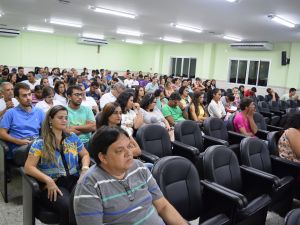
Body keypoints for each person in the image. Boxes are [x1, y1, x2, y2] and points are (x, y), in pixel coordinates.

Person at [74, 126, 188, 225]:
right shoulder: (88, 185)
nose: (129, 153)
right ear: (103, 157)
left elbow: (163, 206)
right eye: (120, 150)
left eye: (129, 146)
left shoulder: (139, 167)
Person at [24, 105, 90, 225]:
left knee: (88, 202)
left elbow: (85, 155)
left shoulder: (72, 137)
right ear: (50, 119)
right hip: (54, 183)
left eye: (66, 117)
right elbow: (28, 167)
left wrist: (85, 169)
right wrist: (48, 180)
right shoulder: (40, 143)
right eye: (60, 117)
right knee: (68, 207)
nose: (64, 120)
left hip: (75, 180)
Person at [0, 83, 45, 159]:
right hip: (18, 147)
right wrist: (17, 141)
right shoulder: (10, 113)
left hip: (36, 143)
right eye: (24, 95)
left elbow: (45, 131)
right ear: (17, 98)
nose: (28, 98)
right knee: (35, 148)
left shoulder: (39, 112)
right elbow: (1, 134)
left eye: (29, 94)